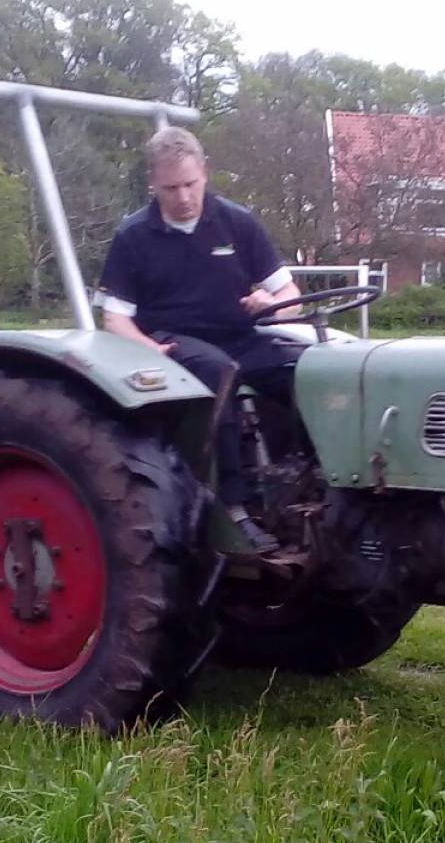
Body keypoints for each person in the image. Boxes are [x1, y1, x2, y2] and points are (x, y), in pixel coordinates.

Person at [97, 126, 302, 554]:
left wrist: (271, 303)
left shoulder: (237, 222)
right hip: (174, 341)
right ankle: (234, 509)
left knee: (305, 370)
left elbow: (291, 297)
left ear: (205, 173)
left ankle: (306, 487)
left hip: (240, 334)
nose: (184, 197)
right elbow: (115, 318)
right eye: (171, 188)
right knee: (221, 374)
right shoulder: (133, 237)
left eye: (190, 184)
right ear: (153, 183)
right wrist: (148, 348)